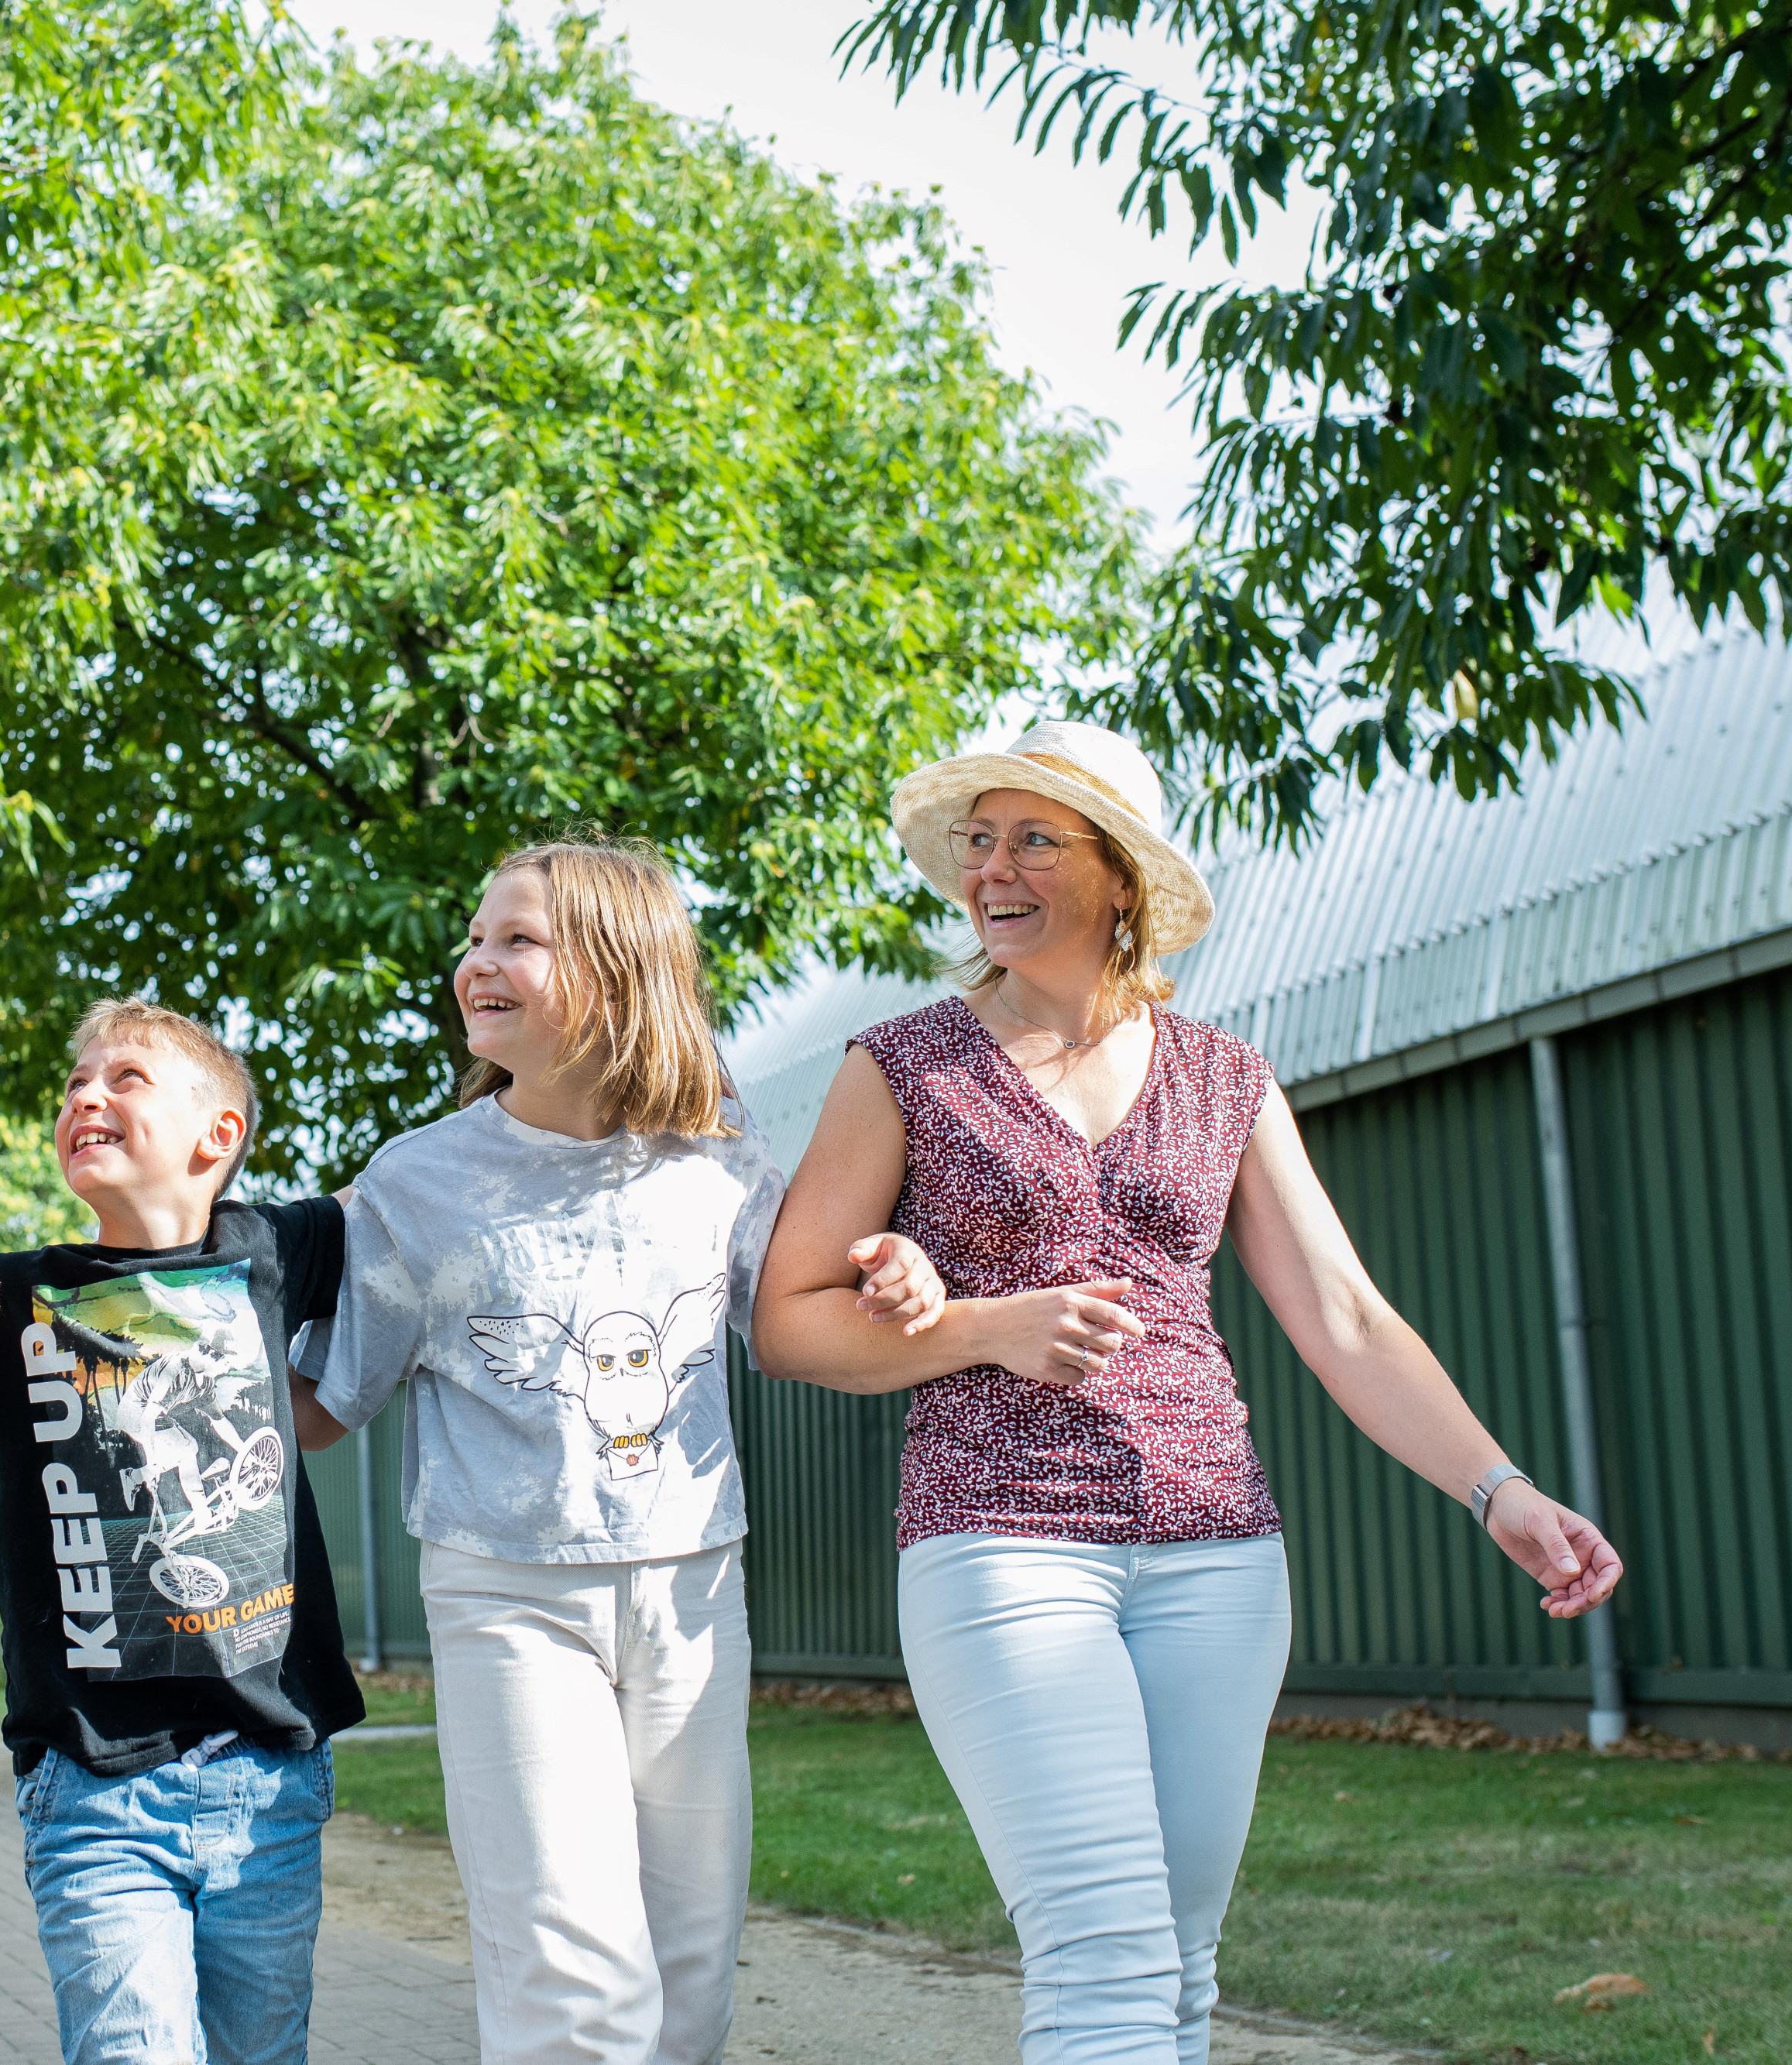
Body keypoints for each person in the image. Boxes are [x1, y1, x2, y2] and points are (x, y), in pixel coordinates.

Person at [752, 719, 1625, 2065]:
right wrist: (986, 1326)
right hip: (1004, 1541)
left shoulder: (1225, 1075)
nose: (994, 868)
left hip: (1220, 1550)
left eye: (1035, 838)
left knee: (1179, 1962)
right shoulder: (903, 1067)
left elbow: (1343, 1314)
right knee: (1103, 1952)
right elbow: (790, 1323)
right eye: (980, 840)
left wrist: (1498, 1488)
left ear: (1121, 879)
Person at [304, 839, 943, 2065]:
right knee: (575, 1980)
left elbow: (803, 1310)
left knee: (690, 1976)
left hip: (693, 1585)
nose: (473, 962)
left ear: (619, 968)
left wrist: (899, 1267)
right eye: (476, 936)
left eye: (516, 939)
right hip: (506, 1590)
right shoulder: (414, 1183)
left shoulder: (716, 1167)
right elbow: (335, 1396)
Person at [0, 998, 365, 2065]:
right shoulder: (19, 1295)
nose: (86, 1096)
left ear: (219, 1135)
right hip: (94, 1781)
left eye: (125, 1079)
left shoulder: (275, 1248)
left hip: (271, 1773)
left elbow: (415, 1200)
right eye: (75, 1084)